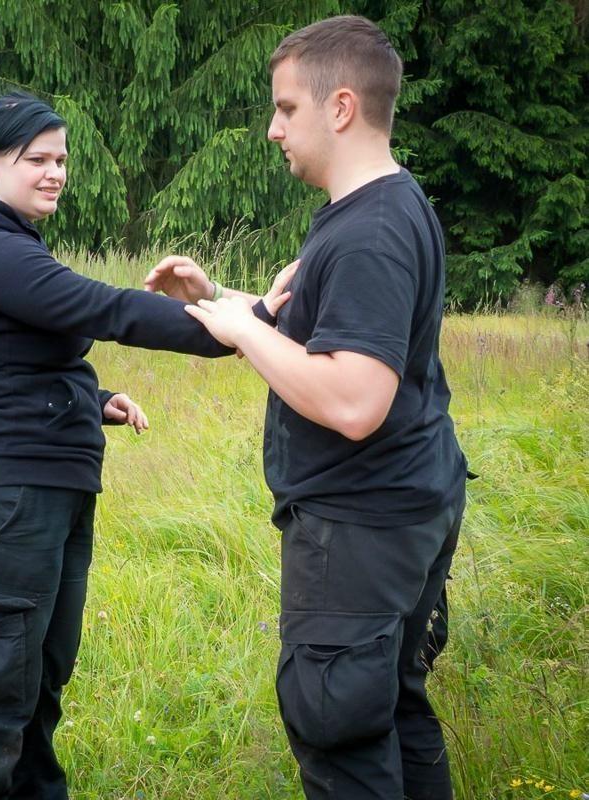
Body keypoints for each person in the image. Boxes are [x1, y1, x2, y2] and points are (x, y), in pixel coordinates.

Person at [0, 92, 295, 800]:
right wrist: (247, 322)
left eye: (61, 159)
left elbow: (6, 360)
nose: (55, 173)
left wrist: (91, 402)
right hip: (1, 496)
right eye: (37, 159)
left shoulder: (10, 244)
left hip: (40, 487)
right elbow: (103, 307)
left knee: (37, 686)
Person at [146, 16, 468, 800]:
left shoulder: (369, 234)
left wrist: (241, 333)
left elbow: (355, 399)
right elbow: (332, 336)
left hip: (359, 526)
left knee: (338, 729)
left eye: (286, 108)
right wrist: (226, 301)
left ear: (341, 107)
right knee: (392, 706)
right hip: (403, 504)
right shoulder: (383, 209)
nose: (272, 128)